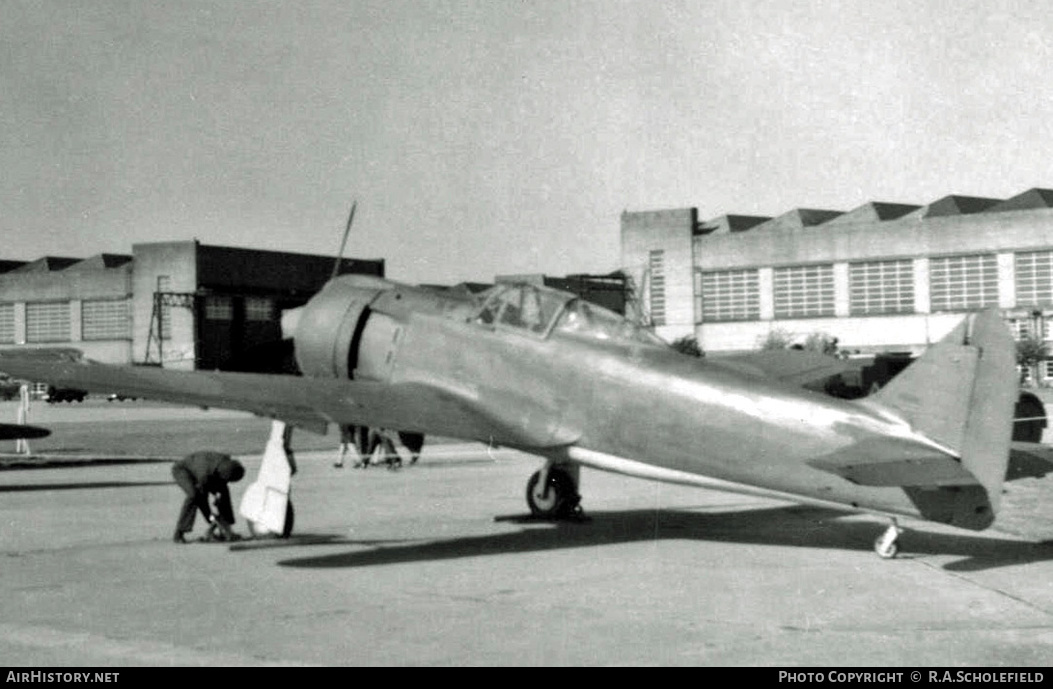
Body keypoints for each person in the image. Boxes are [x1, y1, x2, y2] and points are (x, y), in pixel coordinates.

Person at [171, 451, 245, 544]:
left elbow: (222, 486)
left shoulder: (226, 463)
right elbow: (202, 500)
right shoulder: (204, 473)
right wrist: (210, 518)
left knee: (224, 492)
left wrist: (219, 497)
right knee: (193, 495)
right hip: (183, 470)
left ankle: (226, 528)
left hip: (210, 472)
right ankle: (179, 532)